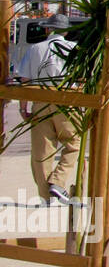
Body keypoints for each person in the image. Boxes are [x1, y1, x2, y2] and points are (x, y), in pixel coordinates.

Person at [14, 14, 78, 205]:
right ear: (65, 31)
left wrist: (23, 108)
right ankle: (58, 181)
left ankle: (46, 197)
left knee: (42, 152)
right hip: (67, 101)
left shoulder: (35, 49)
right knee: (73, 143)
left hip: (41, 101)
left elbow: (25, 80)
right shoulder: (74, 49)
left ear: (47, 29)